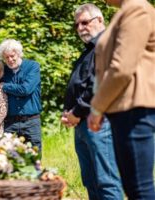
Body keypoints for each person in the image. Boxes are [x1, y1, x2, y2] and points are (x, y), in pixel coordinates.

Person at [87, 0, 155, 199]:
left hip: (134, 107)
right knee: (134, 187)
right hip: (124, 109)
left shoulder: (136, 9)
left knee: (139, 188)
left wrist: (97, 107)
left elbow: (121, 68)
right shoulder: (125, 12)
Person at [61, 4, 123, 200]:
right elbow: (80, 85)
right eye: (77, 24)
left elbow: (99, 84)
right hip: (82, 125)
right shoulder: (89, 50)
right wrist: (68, 112)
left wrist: (75, 112)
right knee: (90, 180)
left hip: (100, 123)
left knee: (107, 181)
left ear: (100, 20)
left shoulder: (106, 44)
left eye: (85, 22)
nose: (80, 28)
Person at [0, 39, 42, 151]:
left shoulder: (33, 67)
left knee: (34, 158)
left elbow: (25, 89)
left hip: (31, 122)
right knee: (9, 159)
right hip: (10, 123)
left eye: (12, 56)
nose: (10, 60)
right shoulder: (4, 71)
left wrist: (4, 86)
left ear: (19, 53)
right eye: (6, 57)